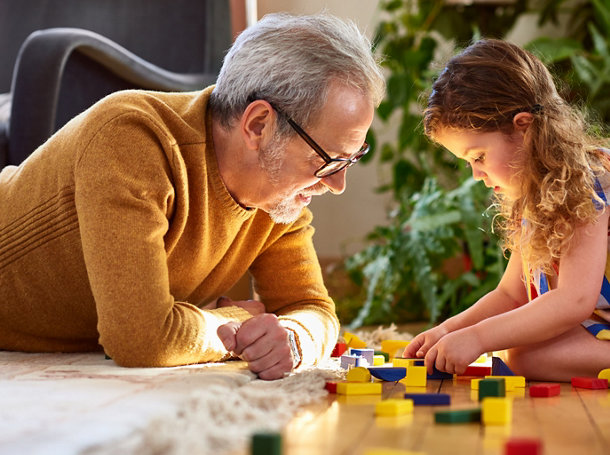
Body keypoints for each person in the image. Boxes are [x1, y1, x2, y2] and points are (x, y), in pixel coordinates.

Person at [0, 13, 385, 380]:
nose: (337, 184)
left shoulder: (278, 196)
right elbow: (141, 339)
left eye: (351, 158)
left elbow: (313, 309)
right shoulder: (132, 138)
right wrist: (234, 321)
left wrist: (295, 339)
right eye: (329, 159)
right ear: (258, 125)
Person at [404, 38, 610, 382]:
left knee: (526, 356)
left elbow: (574, 300)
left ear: (524, 128)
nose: (476, 174)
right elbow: (511, 294)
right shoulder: (534, 195)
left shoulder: (587, 181)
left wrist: (479, 338)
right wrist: (448, 330)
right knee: (524, 352)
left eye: (479, 157)